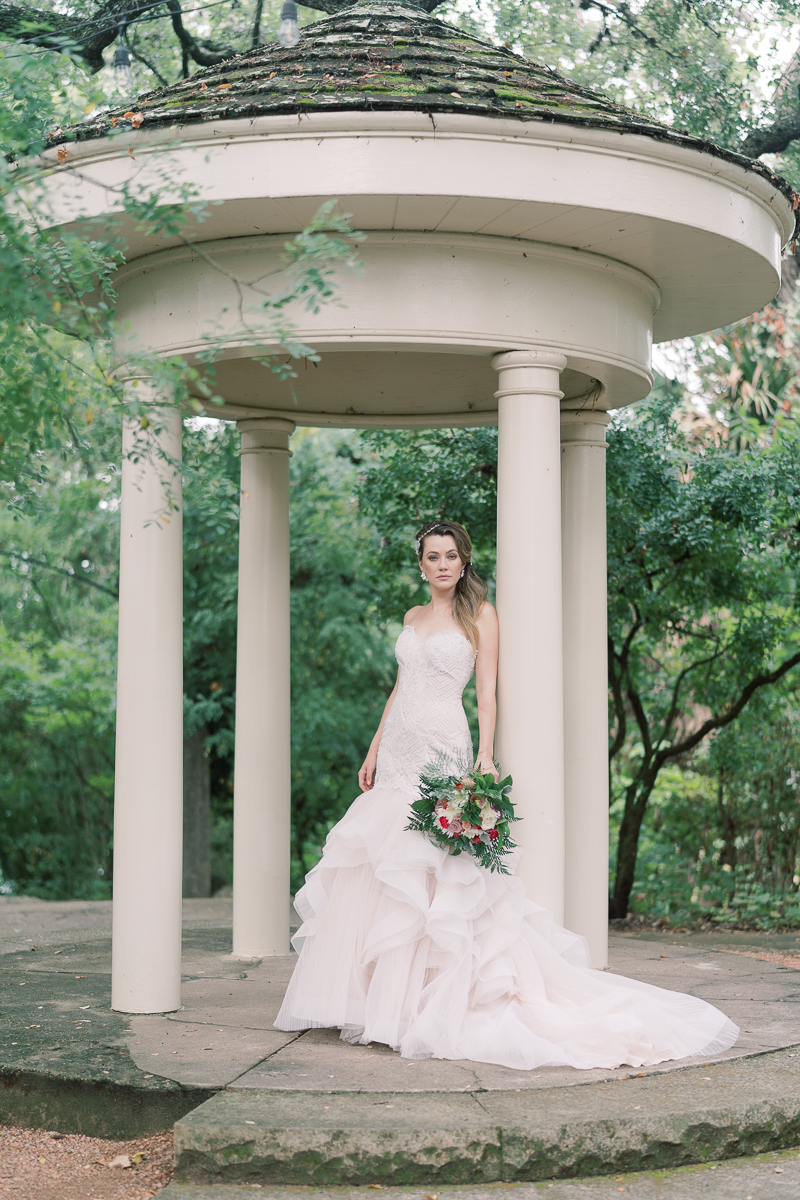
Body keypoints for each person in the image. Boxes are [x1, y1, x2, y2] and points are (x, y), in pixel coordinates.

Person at [274, 520, 738, 1070]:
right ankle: (381, 999)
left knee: (433, 864)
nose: (442, 564)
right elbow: (400, 688)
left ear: (463, 562)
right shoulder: (412, 617)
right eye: (432, 557)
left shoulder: (481, 616)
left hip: (444, 742)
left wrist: (486, 754)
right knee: (381, 861)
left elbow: (487, 692)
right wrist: (374, 748)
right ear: (420, 565)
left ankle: (432, 998)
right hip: (398, 746)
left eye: (451, 556)